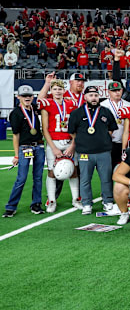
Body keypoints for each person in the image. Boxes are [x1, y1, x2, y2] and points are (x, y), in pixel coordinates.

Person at [67, 86, 119, 215]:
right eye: (91, 95)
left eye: (96, 95)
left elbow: (111, 128)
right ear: (85, 97)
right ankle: (86, 204)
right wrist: (81, 141)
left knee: (106, 178)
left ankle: (108, 201)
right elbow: (72, 132)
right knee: (85, 179)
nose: (94, 98)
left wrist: (103, 138)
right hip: (84, 152)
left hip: (103, 152)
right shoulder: (76, 113)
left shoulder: (106, 111)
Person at [38, 79, 80, 212]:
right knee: (51, 172)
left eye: (60, 89)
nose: (58, 91)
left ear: (64, 90)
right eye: (55, 89)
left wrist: (73, 145)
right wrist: (54, 148)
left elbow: (76, 127)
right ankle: (51, 200)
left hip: (69, 142)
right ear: (51, 91)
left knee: (73, 171)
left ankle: (75, 199)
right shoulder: (47, 103)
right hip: (54, 142)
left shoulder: (71, 103)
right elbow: (45, 129)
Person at [4, 85, 45, 217]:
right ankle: (11, 206)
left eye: (29, 96)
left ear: (33, 97)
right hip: (24, 147)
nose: (27, 98)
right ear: (18, 97)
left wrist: (47, 83)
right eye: (24, 96)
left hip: (39, 146)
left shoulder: (36, 109)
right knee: (21, 178)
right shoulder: (16, 113)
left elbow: (43, 98)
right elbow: (16, 136)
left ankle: (36, 204)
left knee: (38, 178)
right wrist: (16, 155)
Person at [101, 81, 130, 167]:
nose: (117, 93)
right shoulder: (103, 105)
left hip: (124, 141)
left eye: (119, 90)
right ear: (109, 92)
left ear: (122, 90)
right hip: (109, 141)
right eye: (114, 91)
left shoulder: (128, 105)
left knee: (124, 166)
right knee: (108, 167)